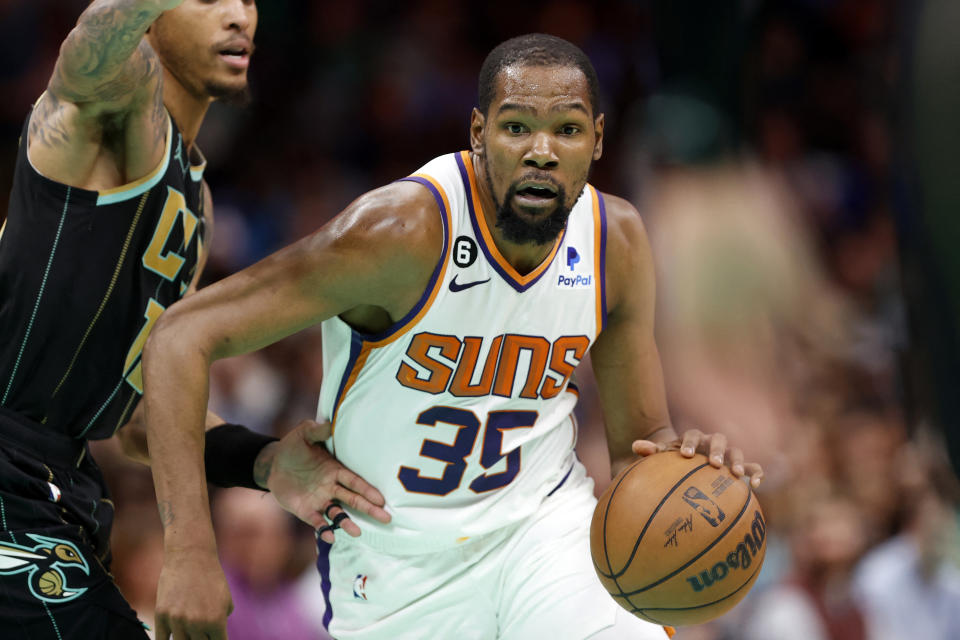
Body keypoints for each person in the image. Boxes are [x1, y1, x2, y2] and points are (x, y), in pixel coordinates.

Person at [143, 33, 765, 639]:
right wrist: (191, 551)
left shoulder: (615, 240)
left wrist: (689, 472)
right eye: (516, 127)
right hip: (394, 562)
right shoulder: (398, 233)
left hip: (544, 535)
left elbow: (639, 447)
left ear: (598, 140)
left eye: (568, 130)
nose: (541, 151)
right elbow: (179, 339)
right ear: (477, 134)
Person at [0, 2, 381, 638]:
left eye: (249, 0)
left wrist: (265, 464)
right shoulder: (111, 110)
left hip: (58, 486)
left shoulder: (195, 204)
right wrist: (189, 547)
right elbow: (86, 51)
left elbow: (137, 419)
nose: (239, 16)